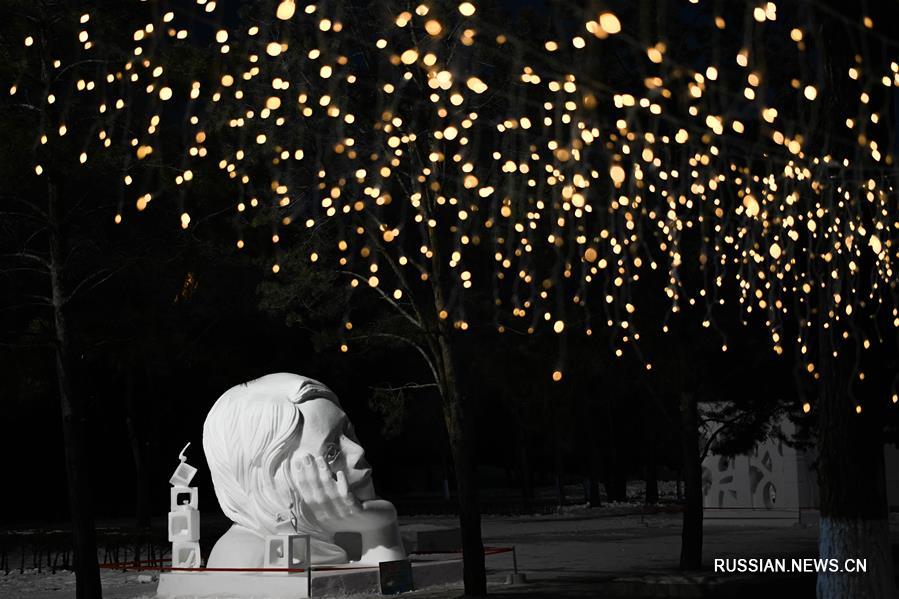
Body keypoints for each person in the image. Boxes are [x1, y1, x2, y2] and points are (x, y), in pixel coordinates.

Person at [202, 372, 405, 567]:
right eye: (332, 450)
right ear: (275, 479)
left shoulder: (352, 532)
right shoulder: (244, 558)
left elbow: (394, 584)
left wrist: (379, 526)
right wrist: (380, 533)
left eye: (349, 432)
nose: (358, 450)